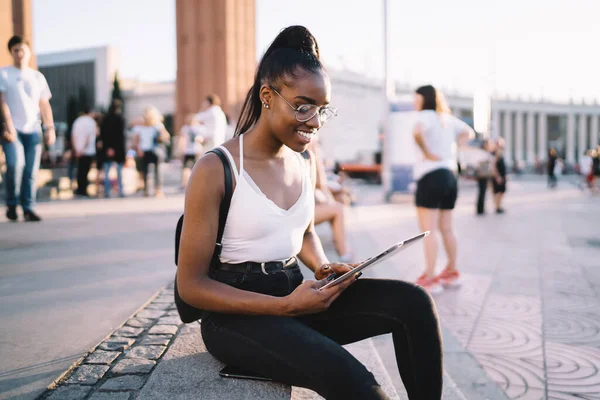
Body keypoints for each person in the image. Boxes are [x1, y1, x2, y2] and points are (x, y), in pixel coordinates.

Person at [177, 26, 442, 399]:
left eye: (321, 110)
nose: (315, 121)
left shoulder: (304, 161)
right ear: (267, 96)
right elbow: (190, 286)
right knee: (356, 381)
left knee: (414, 304)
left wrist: (321, 268)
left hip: (295, 292)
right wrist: (283, 307)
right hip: (235, 317)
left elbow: (302, 231)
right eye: (303, 106)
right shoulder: (217, 167)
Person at [412, 84, 474, 294]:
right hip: (449, 176)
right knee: (447, 228)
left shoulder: (425, 116)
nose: (414, 101)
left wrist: (428, 153)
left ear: (424, 99)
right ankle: (452, 271)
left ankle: (430, 277)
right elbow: (469, 132)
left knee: (428, 231)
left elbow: (417, 133)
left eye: (416, 98)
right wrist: (455, 145)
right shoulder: (446, 118)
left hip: (430, 176)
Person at [0, 35, 55, 222]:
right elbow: (3, 103)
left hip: (34, 130)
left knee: (31, 171)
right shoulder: (4, 74)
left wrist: (50, 128)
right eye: (16, 50)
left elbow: (44, 105)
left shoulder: (37, 77)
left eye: (23, 49)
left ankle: (28, 207)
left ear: (29, 52)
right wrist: (8, 126)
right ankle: (12, 205)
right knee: (16, 165)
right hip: (12, 130)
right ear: (11, 53)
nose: (20, 53)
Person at [309, 140, 353, 262]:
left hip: (308, 203)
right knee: (339, 208)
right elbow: (319, 183)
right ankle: (343, 251)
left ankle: (338, 239)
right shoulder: (306, 151)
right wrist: (315, 154)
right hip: (298, 211)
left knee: (340, 199)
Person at [131, 106, 170, 197]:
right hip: (154, 150)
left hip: (147, 150)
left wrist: (138, 149)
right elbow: (167, 136)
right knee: (158, 170)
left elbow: (136, 140)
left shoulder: (141, 127)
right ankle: (158, 190)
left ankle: (147, 190)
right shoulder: (157, 125)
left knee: (146, 171)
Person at [100, 99, 126, 197]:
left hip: (108, 148)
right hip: (118, 148)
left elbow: (104, 135)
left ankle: (107, 191)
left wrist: (108, 148)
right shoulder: (120, 119)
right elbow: (119, 135)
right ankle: (120, 191)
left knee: (107, 171)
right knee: (119, 171)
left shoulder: (105, 119)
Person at [71, 106, 97, 197]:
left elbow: (73, 135)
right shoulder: (91, 122)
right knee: (85, 171)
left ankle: (79, 189)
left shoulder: (77, 121)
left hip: (78, 149)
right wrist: (82, 149)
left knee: (79, 170)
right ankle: (83, 189)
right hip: (87, 150)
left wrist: (76, 149)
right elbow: (88, 137)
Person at [179, 114, 206, 188]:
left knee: (186, 168)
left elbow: (182, 139)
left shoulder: (185, 128)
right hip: (196, 150)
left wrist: (181, 150)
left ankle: (184, 183)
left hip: (187, 150)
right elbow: (203, 139)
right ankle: (196, 183)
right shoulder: (200, 128)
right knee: (196, 167)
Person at [491, 138, 507, 213]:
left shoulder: (500, 152)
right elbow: (493, 166)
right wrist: (497, 176)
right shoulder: (495, 153)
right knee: (498, 192)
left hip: (502, 175)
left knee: (501, 191)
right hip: (498, 176)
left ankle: (499, 206)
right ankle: (497, 207)